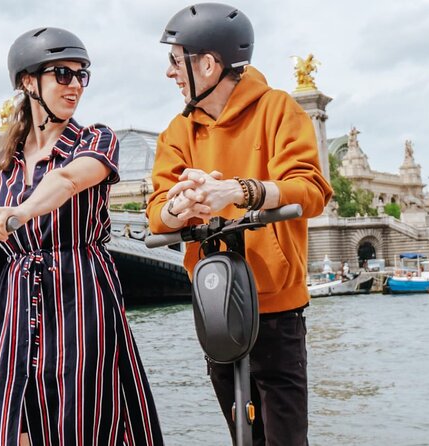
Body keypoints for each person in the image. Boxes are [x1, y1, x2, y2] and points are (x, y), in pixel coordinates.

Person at [0, 27, 163, 446]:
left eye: (81, 75)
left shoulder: (94, 139)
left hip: (81, 293)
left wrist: (20, 211)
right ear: (27, 81)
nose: (74, 85)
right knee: (12, 425)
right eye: (62, 73)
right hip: (17, 302)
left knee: (86, 420)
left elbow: (69, 180)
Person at [146, 4, 332, 445]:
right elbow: (156, 213)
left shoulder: (278, 109)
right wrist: (181, 203)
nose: (169, 73)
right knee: (241, 434)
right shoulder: (177, 131)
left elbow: (310, 190)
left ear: (207, 64)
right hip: (215, 302)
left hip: (277, 304)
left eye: (175, 61)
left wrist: (239, 192)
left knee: (285, 438)